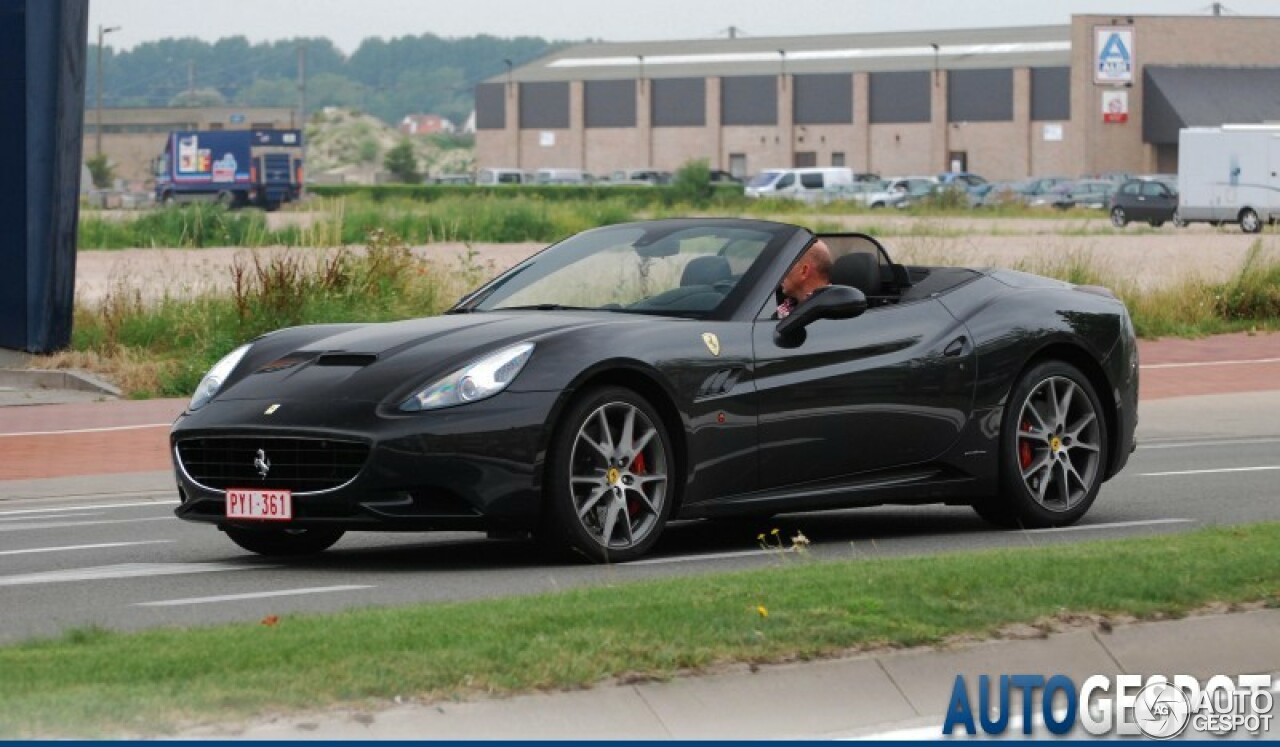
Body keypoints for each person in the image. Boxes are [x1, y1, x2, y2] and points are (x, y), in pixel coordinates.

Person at [776, 239, 833, 319]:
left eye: (786, 264)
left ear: (804, 271)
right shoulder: (788, 306)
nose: (780, 272)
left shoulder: (830, 310)